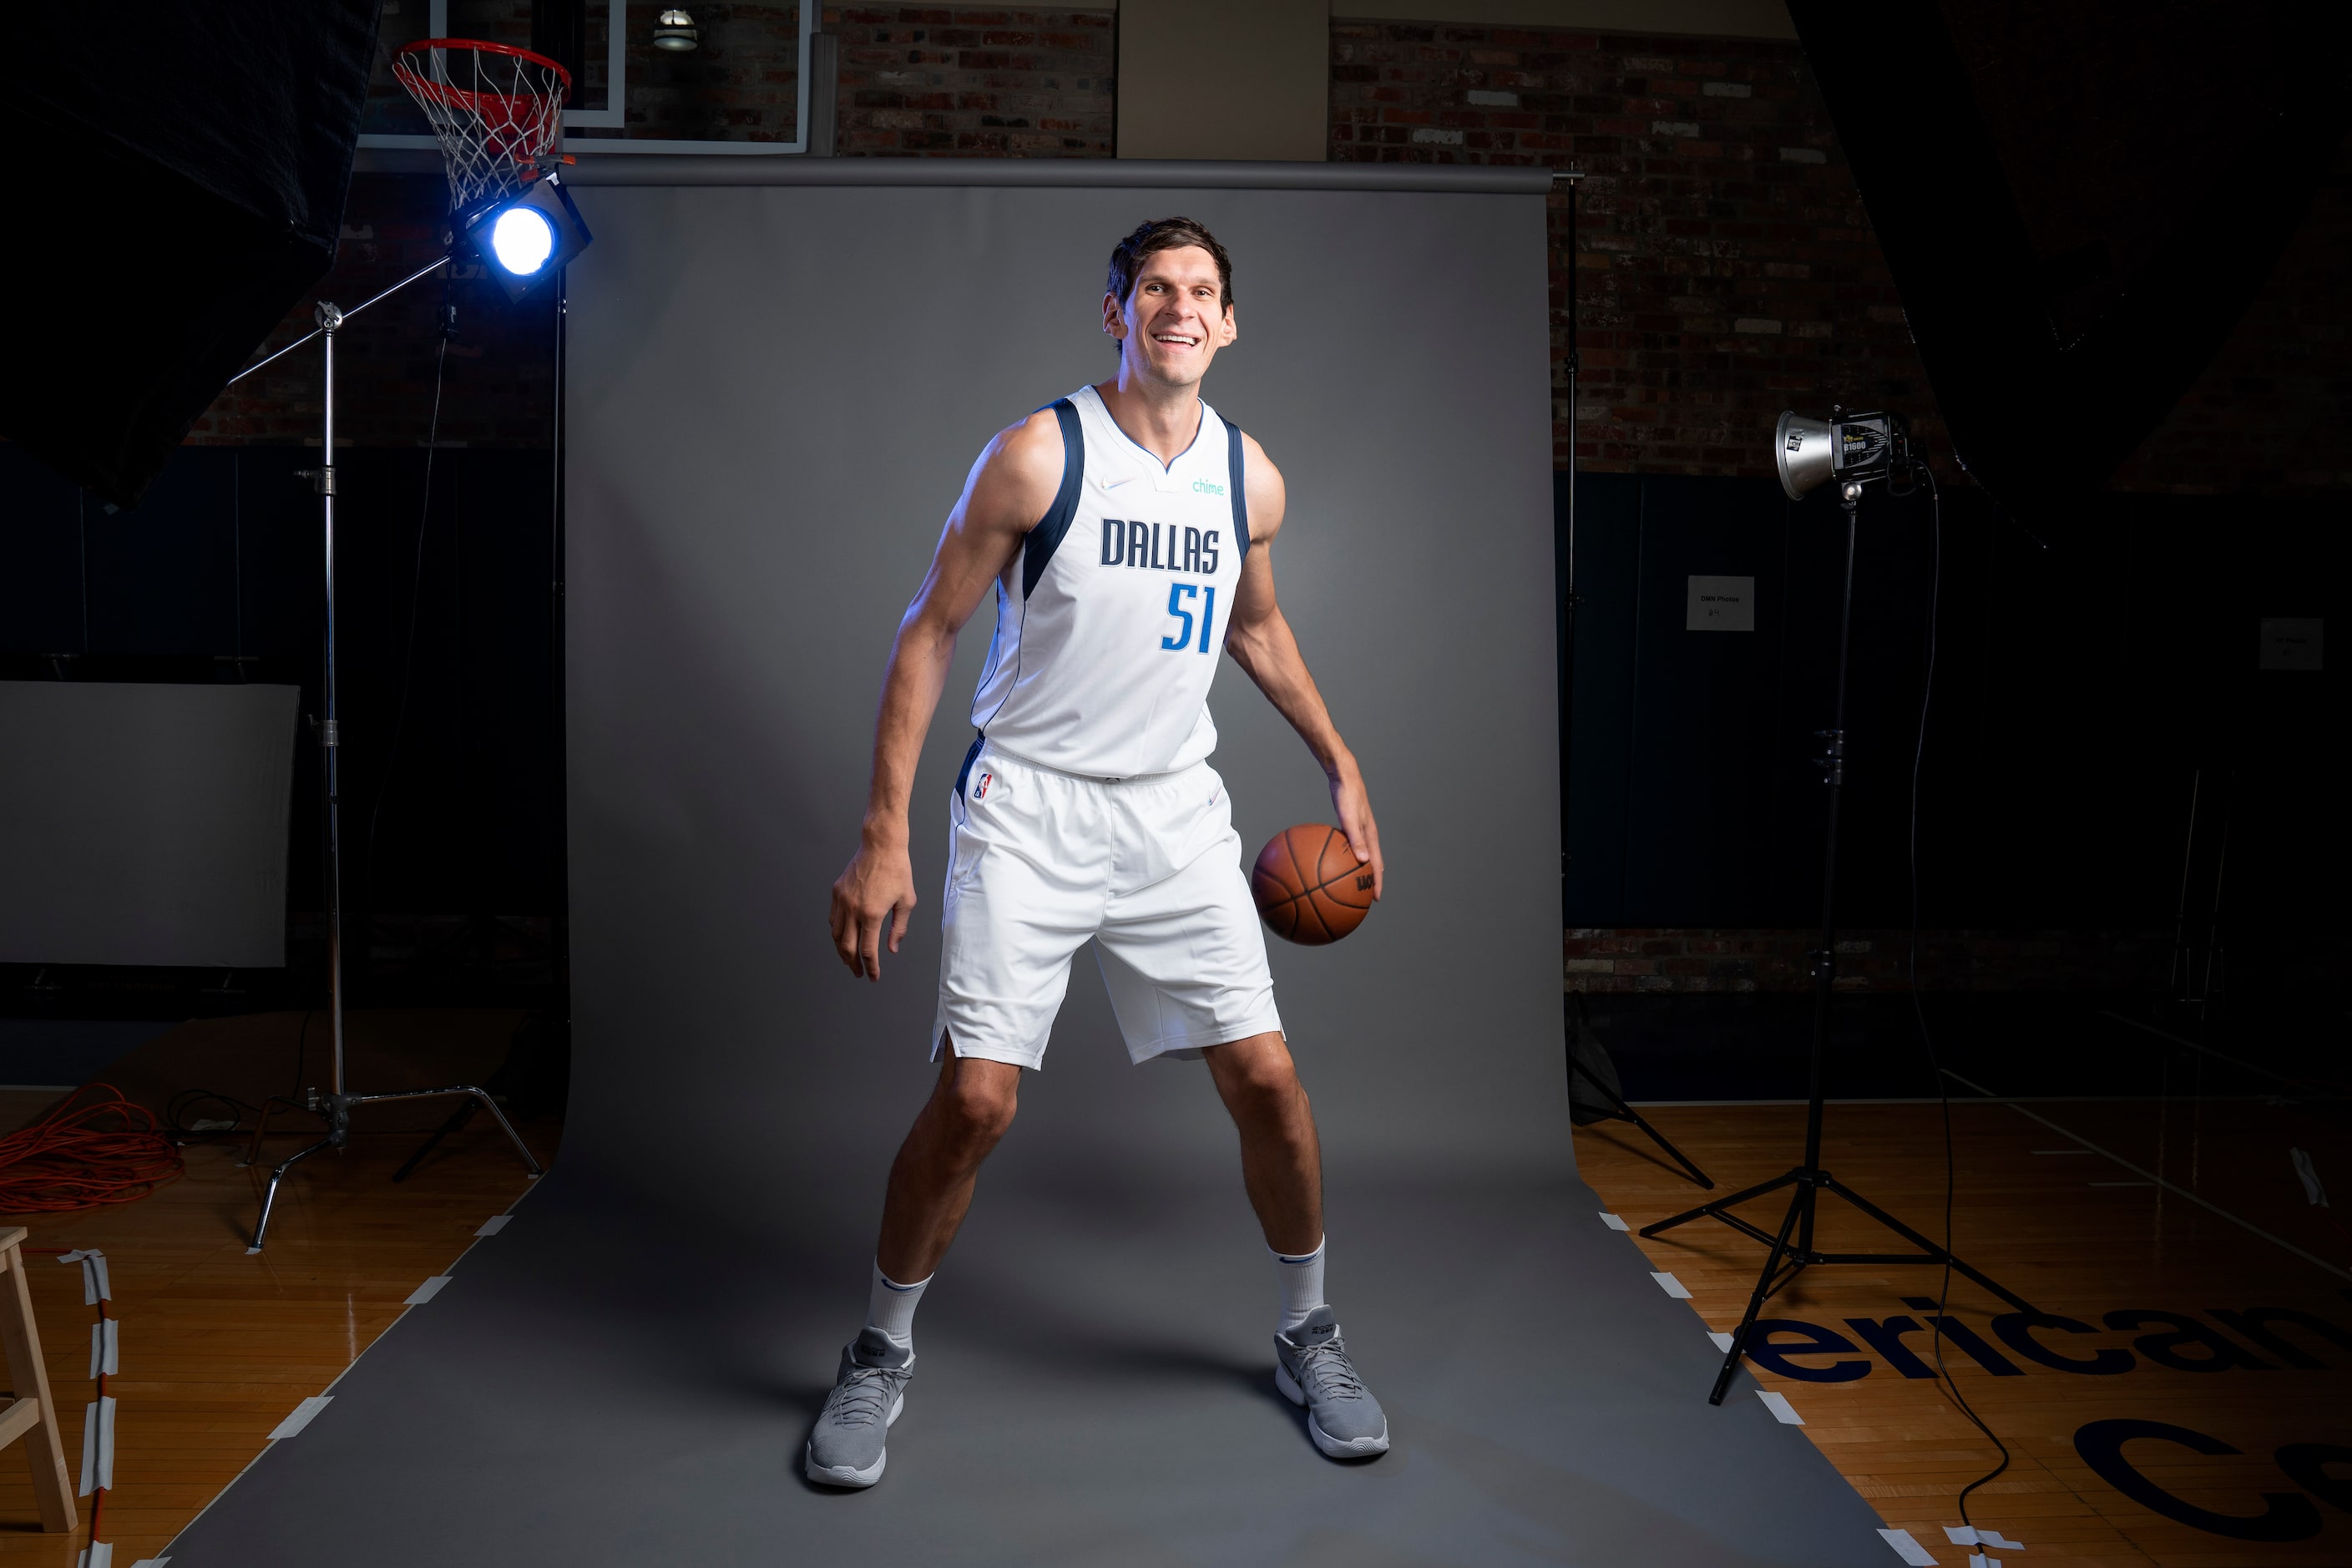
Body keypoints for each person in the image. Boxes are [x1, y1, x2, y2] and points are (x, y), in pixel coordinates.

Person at [812, 216, 1388, 1489]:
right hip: (1029, 802)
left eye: (1201, 292)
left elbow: (1260, 627)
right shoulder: (1035, 454)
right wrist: (882, 834)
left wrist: (1337, 760)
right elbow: (927, 631)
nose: (1178, 308)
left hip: (1173, 808)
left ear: (1228, 323)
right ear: (1116, 312)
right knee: (975, 1101)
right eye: (1154, 289)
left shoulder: (1250, 478)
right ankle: (876, 1352)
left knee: (1268, 1079)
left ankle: (1309, 1331)